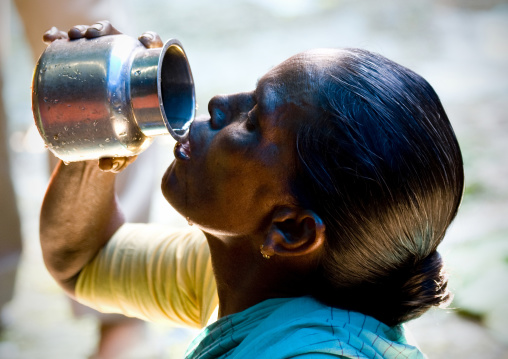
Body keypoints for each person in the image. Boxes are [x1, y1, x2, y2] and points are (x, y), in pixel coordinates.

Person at [39, 21, 464, 358]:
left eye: (254, 122)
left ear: (292, 231)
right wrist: (102, 129)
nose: (219, 102)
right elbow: (84, 262)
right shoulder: (252, 274)